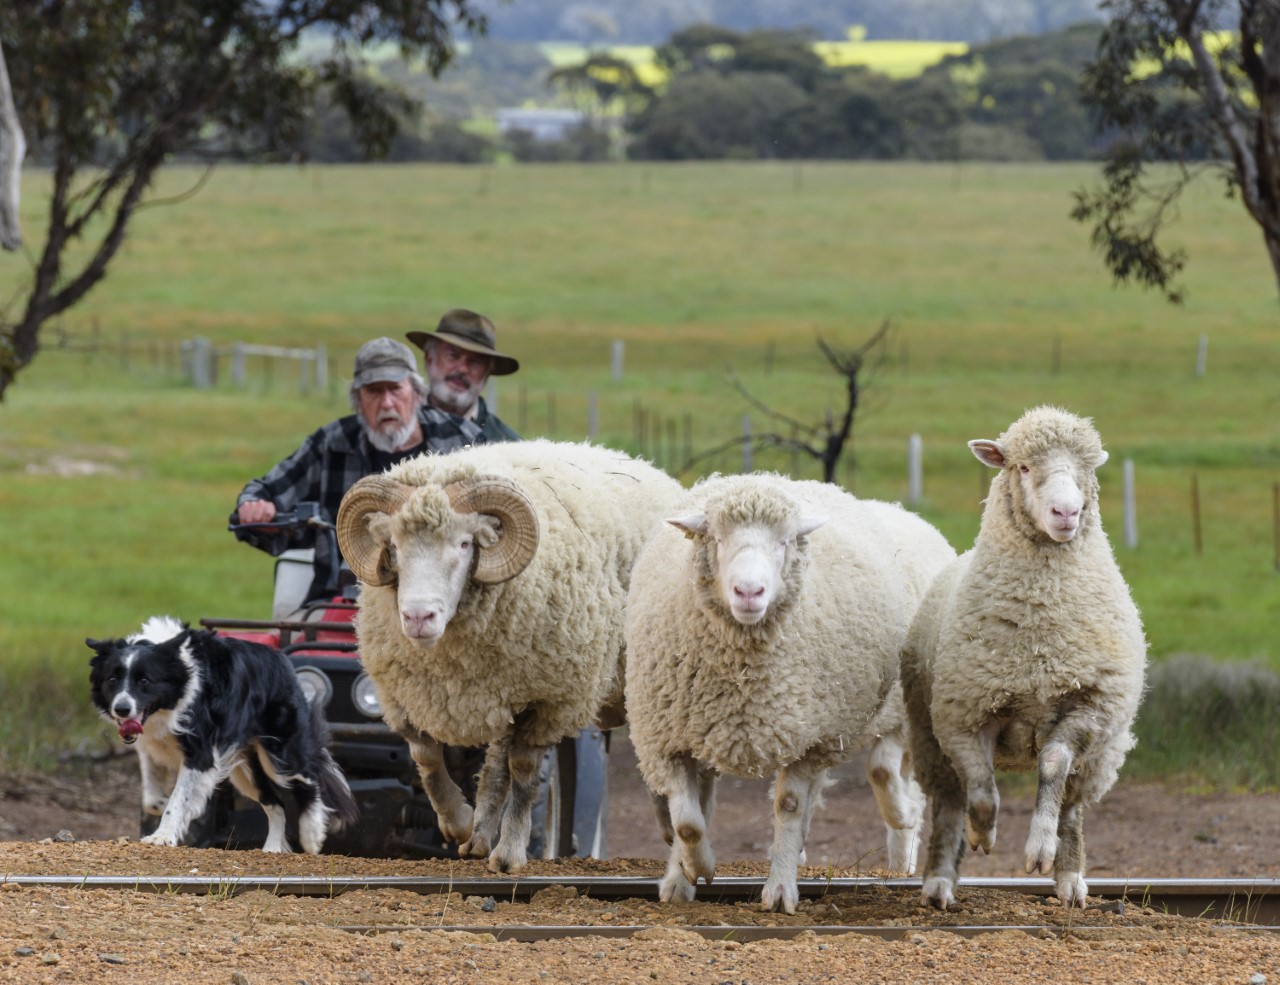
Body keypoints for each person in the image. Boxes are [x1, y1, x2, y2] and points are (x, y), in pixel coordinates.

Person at [232, 336, 480, 604]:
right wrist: (254, 506)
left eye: (395, 389)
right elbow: (263, 491)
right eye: (374, 391)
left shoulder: (464, 442)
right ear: (357, 400)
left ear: (416, 394)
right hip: (343, 602)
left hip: (441, 604)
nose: (386, 403)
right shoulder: (330, 444)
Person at [406, 308, 520, 442]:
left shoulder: (505, 445)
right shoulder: (398, 427)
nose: (462, 369)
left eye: (475, 362)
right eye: (453, 356)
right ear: (429, 359)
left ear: (487, 374)